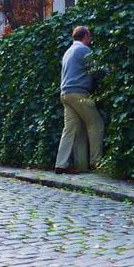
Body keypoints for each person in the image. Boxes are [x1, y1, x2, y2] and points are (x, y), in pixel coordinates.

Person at [54, 26, 104, 174]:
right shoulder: (84, 50)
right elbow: (97, 69)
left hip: (66, 94)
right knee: (96, 123)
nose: (91, 39)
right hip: (79, 93)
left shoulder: (68, 52)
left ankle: (62, 164)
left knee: (71, 130)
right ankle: (96, 162)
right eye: (90, 36)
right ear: (86, 36)